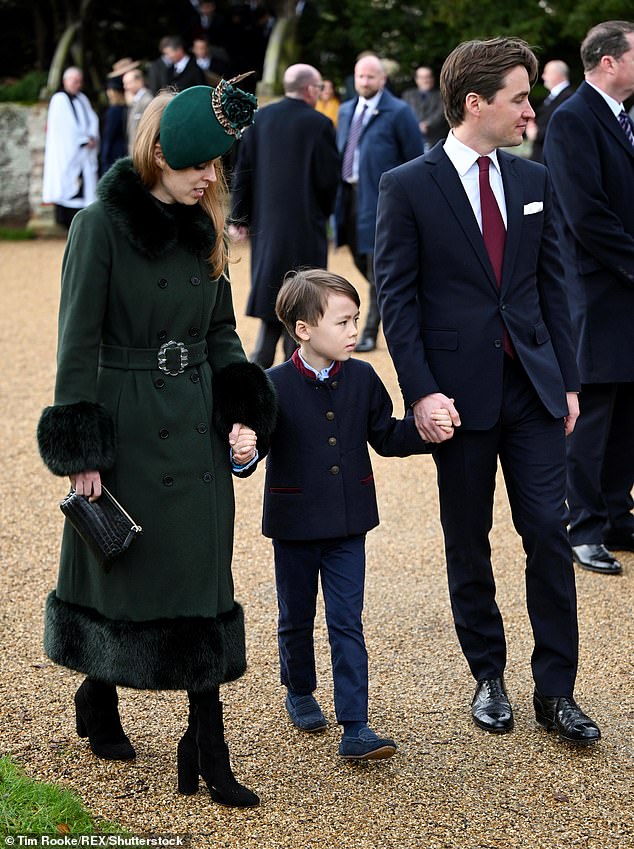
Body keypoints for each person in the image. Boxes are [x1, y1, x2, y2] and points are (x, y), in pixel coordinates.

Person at [36, 79, 277, 807]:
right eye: (200, 163)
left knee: (200, 572)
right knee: (129, 564)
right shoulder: (100, 225)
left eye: (220, 164)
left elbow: (221, 329)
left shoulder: (206, 222)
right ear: (160, 152)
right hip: (129, 417)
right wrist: (81, 446)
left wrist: (241, 406)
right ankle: (98, 691)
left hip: (197, 411)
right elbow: (75, 343)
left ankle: (206, 741)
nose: (213, 177)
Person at [374, 37, 601, 745]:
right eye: (519, 97)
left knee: (548, 533)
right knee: (467, 540)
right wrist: (421, 393)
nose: (530, 110)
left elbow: (554, 288)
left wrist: (566, 381)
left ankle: (556, 691)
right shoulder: (406, 185)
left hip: (533, 391)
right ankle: (488, 674)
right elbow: (398, 298)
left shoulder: (532, 183)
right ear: (476, 103)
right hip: (458, 399)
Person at [252, 268, 451, 759]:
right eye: (342, 322)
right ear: (304, 329)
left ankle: (356, 726)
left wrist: (427, 432)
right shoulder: (271, 384)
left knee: (347, 620)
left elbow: (386, 436)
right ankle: (299, 689)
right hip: (294, 525)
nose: (353, 331)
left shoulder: (362, 375)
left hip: (348, 524)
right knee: (295, 616)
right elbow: (249, 452)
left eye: (355, 320)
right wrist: (241, 452)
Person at [544, 21, 634, 575]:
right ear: (608, 62)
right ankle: (583, 528)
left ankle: (619, 516)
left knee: (629, 412)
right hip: (596, 291)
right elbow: (586, 216)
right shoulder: (572, 119)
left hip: (625, 290)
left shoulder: (626, 117)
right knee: (594, 414)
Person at [230, 64, 340, 368]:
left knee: (271, 310)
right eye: (318, 89)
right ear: (309, 90)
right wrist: (324, 213)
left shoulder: (260, 119)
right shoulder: (319, 124)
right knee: (303, 307)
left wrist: (239, 218)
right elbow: (329, 181)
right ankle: (294, 385)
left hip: (267, 230)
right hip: (305, 228)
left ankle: (260, 386)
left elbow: (244, 172)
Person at [334, 53, 423, 353]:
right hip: (350, 196)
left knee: (377, 268)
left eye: (371, 76)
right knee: (359, 258)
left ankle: (370, 330)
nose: (365, 81)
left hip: (382, 200)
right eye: (360, 76)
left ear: (383, 79)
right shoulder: (346, 110)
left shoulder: (399, 112)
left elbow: (414, 159)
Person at [42, 67, 99, 231]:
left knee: (85, 188)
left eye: (79, 81)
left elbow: (92, 119)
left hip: (85, 153)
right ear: (65, 81)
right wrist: (82, 140)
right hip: (68, 153)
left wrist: (92, 137)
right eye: (74, 81)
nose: (77, 84)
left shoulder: (82, 98)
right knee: (69, 186)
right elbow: (65, 127)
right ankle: (67, 223)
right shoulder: (59, 100)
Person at [526, 60, 574, 163]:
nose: (543, 76)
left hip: (553, 159)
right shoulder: (552, 97)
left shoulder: (568, 98)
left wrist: (537, 133)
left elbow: (564, 128)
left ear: (556, 75)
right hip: (542, 157)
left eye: (546, 73)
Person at [401, 66, 449, 150]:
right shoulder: (408, 95)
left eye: (428, 77)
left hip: (435, 139)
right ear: (417, 80)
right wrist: (415, 125)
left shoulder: (441, 95)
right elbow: (403, 113)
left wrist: (427, 124)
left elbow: (442, 113)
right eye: (422, 77)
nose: (425, 80)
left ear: (432, 78)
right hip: (412, 139)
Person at [99, 77, 128, 175]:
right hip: (123, 148)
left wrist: (104, 155)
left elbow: (109, 135)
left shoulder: (114, 110)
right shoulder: (126, 108)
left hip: (114, 152)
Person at [122, 69, 153, 156]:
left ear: (139, 81)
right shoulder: (134, 101)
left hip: (144, 153)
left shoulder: (148, 100)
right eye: (124, 83)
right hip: (135, 152)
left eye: (128, 83)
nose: (125, 87)